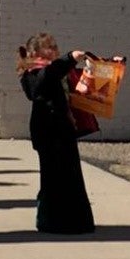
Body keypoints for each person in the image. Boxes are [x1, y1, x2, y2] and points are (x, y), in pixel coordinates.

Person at [17, 33, 95, 235]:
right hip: (49, 132)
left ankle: (75, 221)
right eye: (49, 47)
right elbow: (46, 78)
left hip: (63, 129)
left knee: (70, 177)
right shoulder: (33, 72)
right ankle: (52, 221)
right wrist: (69, 58)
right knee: (53, 179)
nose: (54, 49)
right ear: (36, 52)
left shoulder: (55, 70)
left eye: (55, 46)